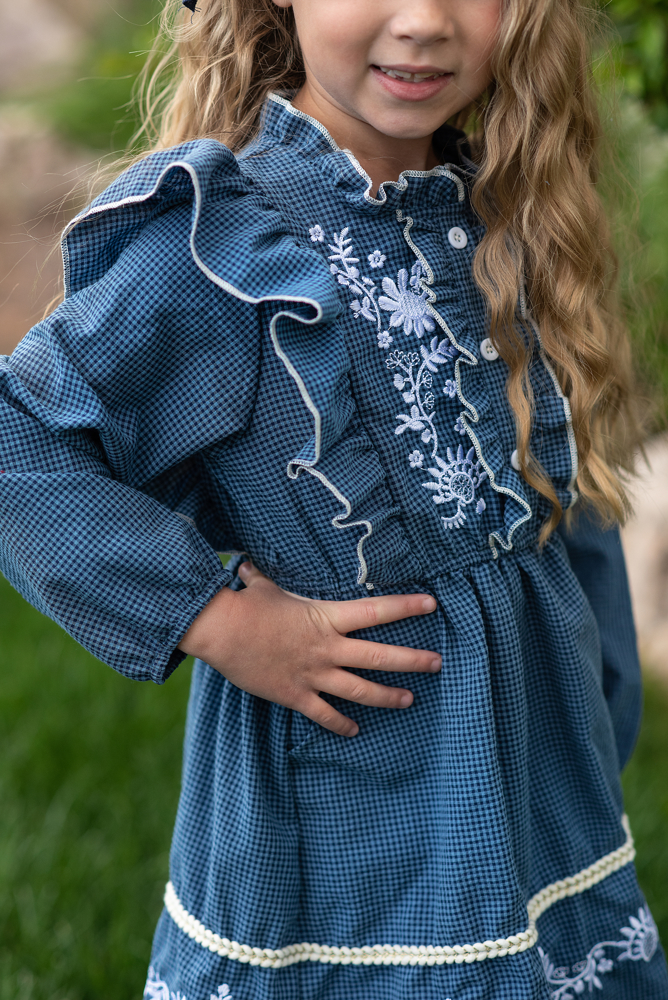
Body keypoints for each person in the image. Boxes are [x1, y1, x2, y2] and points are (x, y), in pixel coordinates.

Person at [0, 0, 666, 996]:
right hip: (347, 803)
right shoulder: (222, 245)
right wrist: (216, 618)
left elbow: (558, 522)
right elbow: (18, 442)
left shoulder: (508, 211)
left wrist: (595, 711)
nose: (424, 20)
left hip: (533, 787)